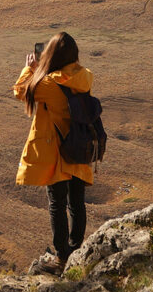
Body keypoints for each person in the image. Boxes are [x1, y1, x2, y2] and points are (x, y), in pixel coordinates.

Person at [13, 30, 94, 268]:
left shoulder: (50, 83)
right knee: (77, 202)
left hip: (56, 151)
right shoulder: (84, 77)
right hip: (79, 145)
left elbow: (21, 90)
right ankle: (77, 248)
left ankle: (62, 255)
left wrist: (30, 69)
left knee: (57, 203)